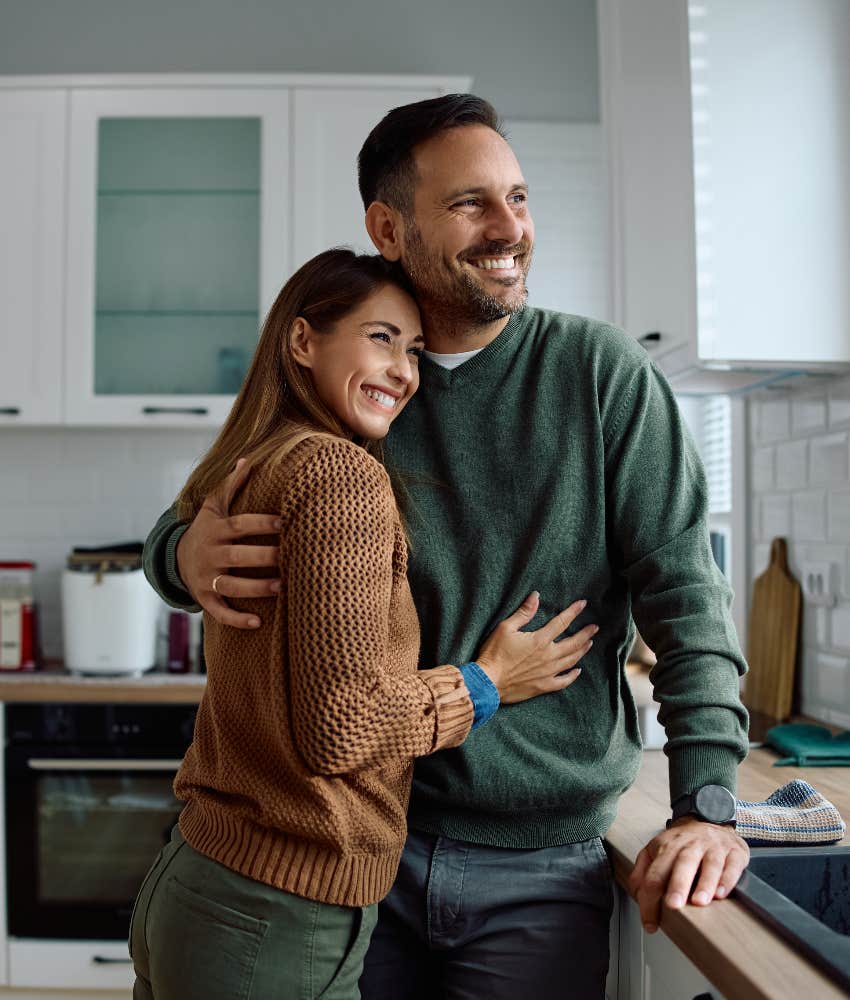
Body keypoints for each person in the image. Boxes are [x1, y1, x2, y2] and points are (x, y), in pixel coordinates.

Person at [142, 96, 751, 999]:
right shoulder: (361, 385)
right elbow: (208, 505)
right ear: (389, 227)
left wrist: (707, 803)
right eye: (471, 203)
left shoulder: (600, 374)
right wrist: (182, 557)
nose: (510, 228)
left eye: (518, 197)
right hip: (360, 852)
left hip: (541, 867)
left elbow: (686, 595)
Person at [130, 248, 593, 1000]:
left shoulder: (251, 461)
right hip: (274, 912)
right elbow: (340, 727)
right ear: (304, 341)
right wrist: (486, 683)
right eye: (381, 338)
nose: (405, 371)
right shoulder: (339, 473)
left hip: (202, 884)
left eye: (413, 350)